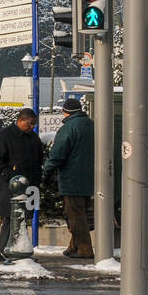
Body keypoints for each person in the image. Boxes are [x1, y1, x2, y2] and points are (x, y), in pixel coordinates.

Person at [0, 108, 45, 261]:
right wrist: (11, 176)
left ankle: (18, 249)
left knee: (24, 217)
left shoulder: (33, 138)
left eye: (34, 124)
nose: (32, 127)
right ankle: (2, 251)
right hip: (10, 186)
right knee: (10, 217)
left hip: (30, 185)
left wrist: (36, 181)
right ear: (20, 120)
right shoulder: (5, 135)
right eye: (29, 123)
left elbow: (39, 159)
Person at [43, 97, 95, 259]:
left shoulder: (68, 128)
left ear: (66, 112)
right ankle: (73, 247)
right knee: (80, 214)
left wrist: (46, 171)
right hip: (92, 179)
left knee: (75, 215)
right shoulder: (92, 125)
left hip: (73, 179)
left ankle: (85, 250)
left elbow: (58, 154)